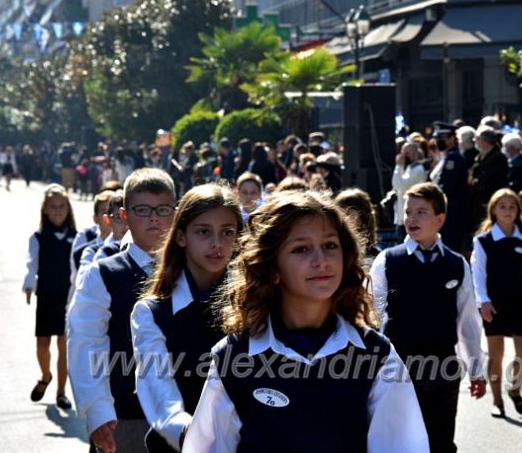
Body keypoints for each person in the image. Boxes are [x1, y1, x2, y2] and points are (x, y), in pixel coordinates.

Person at [183, 190, 430, 452]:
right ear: (272, 268)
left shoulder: (377, 355)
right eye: (301, 249)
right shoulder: (232, 356)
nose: (321, 261)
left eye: (330, 245)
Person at [370, 182, 486, 453]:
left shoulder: (457, 263)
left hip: (443, 368)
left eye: (421, 212)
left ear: (440, 219)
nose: (411, 218)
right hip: (399, 369)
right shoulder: (388, 260)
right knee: (402, 442)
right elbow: (372, 317)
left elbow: (468, 322)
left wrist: (477, 369)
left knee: (442, 442)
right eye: (408, 212)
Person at [67, 168, 176, 453]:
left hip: (184, 414)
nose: (154, 218)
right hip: (124, 416)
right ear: (125, 217)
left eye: (163, 209)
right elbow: (84, 340)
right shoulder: (103, 274)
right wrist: (97, 410)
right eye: (142, 210)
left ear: (175, 215)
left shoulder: (191, 271)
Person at [131, 184, 243, 451]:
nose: (217, 243)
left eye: (227, 232)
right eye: (204, 232)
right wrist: (187, 431)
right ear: (181, 236)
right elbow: (156, 386)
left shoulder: (254, 303)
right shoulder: (152, 312)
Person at [471, 188, 522, 419]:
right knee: (496, 355)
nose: (508, 211)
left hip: (519, 304)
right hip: (494, 306)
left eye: (512, 206)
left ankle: (514, 389)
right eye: (502, 206)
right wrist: (483, 301)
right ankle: (497, 400)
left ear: (518, 211)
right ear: (493, 210)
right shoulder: (483, 241)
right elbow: (478, 273)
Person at [22, 184, 77, 410]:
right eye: (52, 207)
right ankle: (45, 376)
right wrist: (28, 284)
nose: (57, 211)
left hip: (68, 297)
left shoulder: (77, 237)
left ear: (68, 209)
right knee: (42, 344)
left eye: (61, 206)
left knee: (64, 345)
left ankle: (62, 393)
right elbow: (31, 262)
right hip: (46, 294)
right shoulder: (38, 237)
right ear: (45, 210)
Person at [430, 128, 468, 252]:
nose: (438, 142)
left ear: (452, 139)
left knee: (449, 249)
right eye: (437, 139)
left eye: (442, 139)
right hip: (446, 212)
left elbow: (446, 187)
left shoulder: (453, 158)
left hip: (451, 213)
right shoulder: (445, 157)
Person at [468, 126, 508, 234]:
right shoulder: (481, 156)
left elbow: (486, 181)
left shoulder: (497, 158)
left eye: (478, 139)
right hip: (477, 202)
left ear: (485, 141)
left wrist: (472, 183)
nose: (475, 142)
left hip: (488, 201)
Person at [334, 188, 381, 268]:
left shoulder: (375, 255)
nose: (344, 218)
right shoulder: (333, 249)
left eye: (349, 213)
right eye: (340, 213)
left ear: (363, 217)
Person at [393, 141, 427, 241]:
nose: (404, 156)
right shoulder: (408, 168)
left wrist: (398, 166)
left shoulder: (418, 170)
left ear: (415, 153)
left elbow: (399, 185)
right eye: (402, 153)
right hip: (401, 217)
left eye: (407, 153)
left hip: (410, 219)